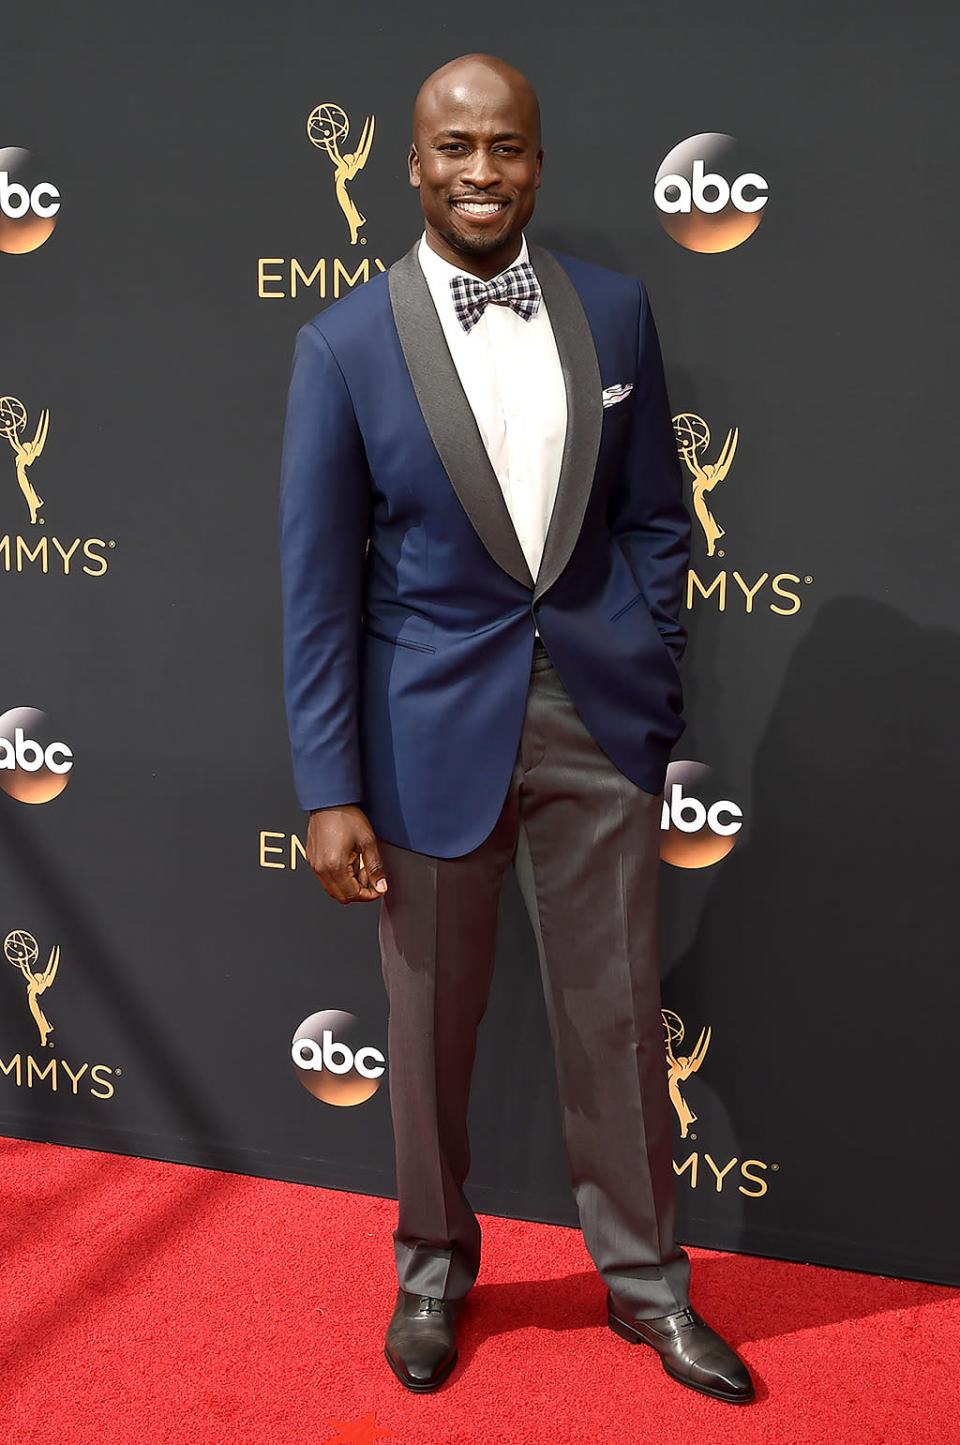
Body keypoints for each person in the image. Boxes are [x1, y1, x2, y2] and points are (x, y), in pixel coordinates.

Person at [279, 53, 753, 1404]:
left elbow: (659, 515)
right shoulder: (345, 343)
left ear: (539, 163)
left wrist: (651, 672)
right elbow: (319, 589)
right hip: (425, 734)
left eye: (507, 148)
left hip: (596, 719)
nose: (482, 170)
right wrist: (328, 784)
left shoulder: (616, 309)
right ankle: (430, 1267)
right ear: (412, 164)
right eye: (456, 148)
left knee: (615, 1015)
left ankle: (647, 1285)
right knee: (426, 1024)